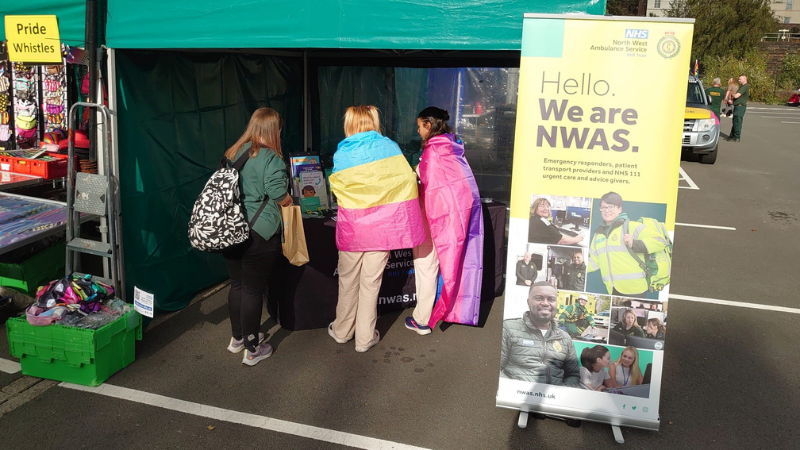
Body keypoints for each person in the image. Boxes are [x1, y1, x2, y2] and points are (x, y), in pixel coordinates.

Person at [328, 105, 426, 352]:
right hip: (382, 231)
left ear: (349, 122)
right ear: (374, 120)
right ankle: (364, 339)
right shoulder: (389, 147)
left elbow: (337, 187)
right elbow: (406, 180)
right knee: (371, 285)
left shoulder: (343, 152)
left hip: (352, 230)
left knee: (347, 281)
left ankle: (341, 331)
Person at [222, 108, 293, 366]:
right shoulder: (271, 158)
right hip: (258, 232)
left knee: (238, 285)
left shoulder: (233, 152)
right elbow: (276, 192)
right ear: (274, 130)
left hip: (230, 228)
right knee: (253, 290)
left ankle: (238, 338)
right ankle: (253, 349)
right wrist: (289, 200)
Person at [405, 106, 484, 335]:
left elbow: (426, 182)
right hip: (454, 216)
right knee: (450, 265)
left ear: (429, 125)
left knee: (425, 266)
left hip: (432, 216)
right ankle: (444, 310)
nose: (418, 131)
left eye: (420, 126)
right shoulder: (454, 148)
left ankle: (421, 319)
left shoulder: (432, 152)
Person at [587, 192, 669, 297]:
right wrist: (578, 265)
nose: (606, 210)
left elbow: (661, 241)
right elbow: (594, 261)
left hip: (636, 291)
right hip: (612, 290)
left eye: (611, 207)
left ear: (619, 209)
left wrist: (634, 243)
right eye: (603, 207)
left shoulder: (632, 227)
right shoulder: (598, 235)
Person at [500, 282, 580, 386]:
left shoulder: (565, 338)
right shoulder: (508, 329)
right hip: (516, 398)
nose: (545, 303)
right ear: (529, 302)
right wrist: (514, 390)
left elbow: (573, 375)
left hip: (551, 400)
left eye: (551, 299)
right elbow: (495, 368)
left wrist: (559, 394)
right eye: (539, 298)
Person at [726, 75, 749, 142]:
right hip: (737, 105)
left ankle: (737, 136)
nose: (739, 80)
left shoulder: (745, 86)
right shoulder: (742, 87)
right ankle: (732, 135)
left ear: (745, 79)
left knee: (738, 121)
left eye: (740, 79)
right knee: (735, 121)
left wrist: (731, 94)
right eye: (738, 79)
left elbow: (736, 95)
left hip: (740, 106)